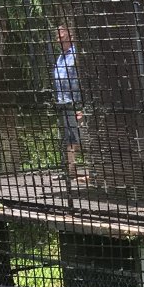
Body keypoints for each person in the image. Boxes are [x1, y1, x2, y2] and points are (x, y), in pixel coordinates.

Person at [53, 24, 85, 182]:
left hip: (75, 103)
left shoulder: (77, 56)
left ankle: (91, 172)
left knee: (78, 136)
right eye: (57, 37)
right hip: (62, 103)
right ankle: (70, 172)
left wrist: (83, 108)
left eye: (61, 37)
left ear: (70, 37)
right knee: (67, 138)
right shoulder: (60, 57)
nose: (58, 40)